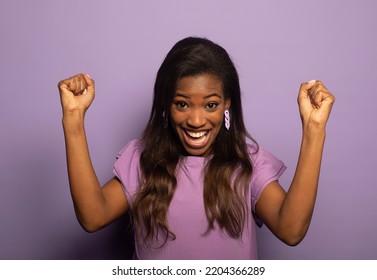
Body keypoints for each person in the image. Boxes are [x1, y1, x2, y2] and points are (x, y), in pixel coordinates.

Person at [58, 37, 335, 259]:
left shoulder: (248, 165)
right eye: (182, 104)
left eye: (210, 105)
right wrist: (73, 121)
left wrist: (314, 130)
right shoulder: (143, 160)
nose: (196, 120)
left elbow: (291, 230)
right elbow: (93, 216)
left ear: (228, 103)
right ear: (167, 104)